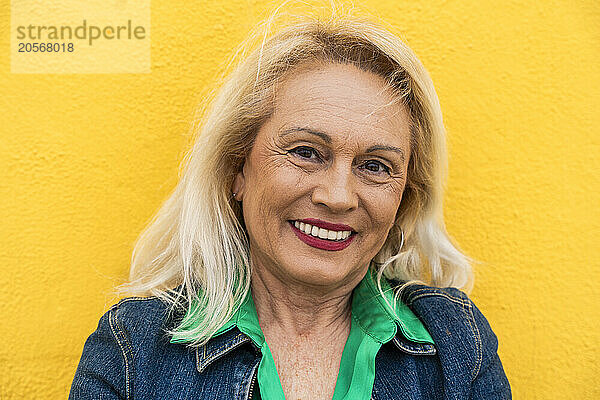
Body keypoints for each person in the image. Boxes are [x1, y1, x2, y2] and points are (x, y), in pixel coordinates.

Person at [69, 11, 511, 400]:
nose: (337, 196)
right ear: (236, 168)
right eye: (306, 152)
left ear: (404, 196)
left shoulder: (456, 342)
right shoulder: (135, 351)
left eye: (375, 166)